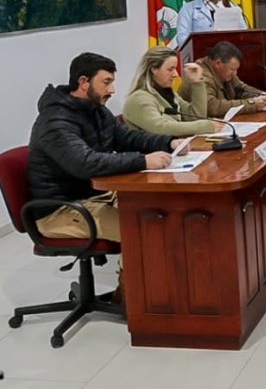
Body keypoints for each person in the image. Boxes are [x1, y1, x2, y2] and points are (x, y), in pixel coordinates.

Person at [27, 52, 186, 304]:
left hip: (94, 194)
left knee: (157, 213)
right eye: (106, 82)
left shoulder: (96, 110)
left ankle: (160, 290)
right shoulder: (55, 121)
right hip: (60, 209)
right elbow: (85, 163)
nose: (112, 90)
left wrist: (169, 142)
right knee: (141, 229)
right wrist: (143, 161)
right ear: (83, 82)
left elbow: (128, 137)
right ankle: (130, 300)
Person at [123, 47, 225, 136]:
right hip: (155, 151)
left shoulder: (166, 92)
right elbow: (161, 128)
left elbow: (196, 116)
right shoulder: (139, 99)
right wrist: (204, 126)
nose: (176, 74)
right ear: (154, 69)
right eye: (170, 69)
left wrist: (197, 82)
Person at [177, 41, 266, 118]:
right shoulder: (201, 75)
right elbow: (212, 107)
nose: (235, 73)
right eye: (232, 69)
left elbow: (241, 89)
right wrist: (251, 104)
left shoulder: (225, 74)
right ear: (218, 63)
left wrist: (262, 95)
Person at [175, 0, 247, 48]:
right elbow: (182, 39)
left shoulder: (232, 8)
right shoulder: (188, 8)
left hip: (229, 52)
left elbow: (244, 35)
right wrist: (208, 40)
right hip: (201, 52)